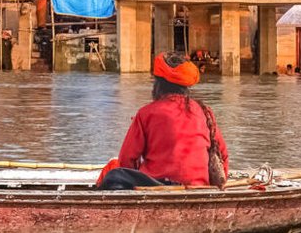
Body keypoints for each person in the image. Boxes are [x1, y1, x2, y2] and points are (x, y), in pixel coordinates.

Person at [97, 51, 229, 189]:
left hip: (158, 185)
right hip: (198, 186)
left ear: (158, 85)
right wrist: (215, 187)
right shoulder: (204, 111)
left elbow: (126, 159)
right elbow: (223, 155)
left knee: (113, 173)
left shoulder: (146, 113)